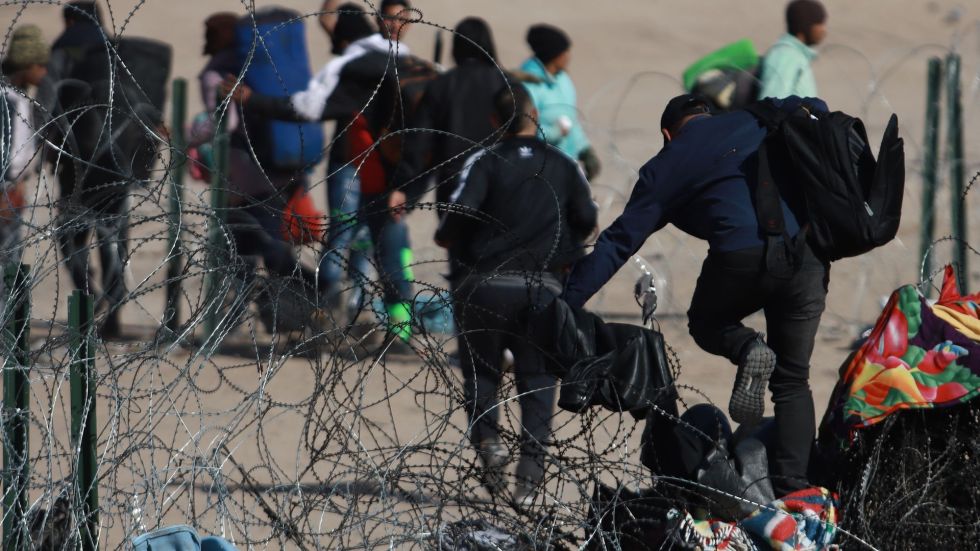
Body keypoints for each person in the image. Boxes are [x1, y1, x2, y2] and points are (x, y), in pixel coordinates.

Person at [562, 93, 831, 498]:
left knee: (706, 321)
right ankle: (797, 492)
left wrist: (566, 301)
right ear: (709, 115)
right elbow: (817, 106)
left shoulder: (667, 165)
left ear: (668, 135)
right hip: (808, 256)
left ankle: (744, 346)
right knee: (793, 379)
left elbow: (617, 244)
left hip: (741, 258)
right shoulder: (756, 117)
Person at [224, 3, 435, 350]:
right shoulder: (409, 63)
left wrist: (253, 100)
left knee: (341, 244)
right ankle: (397, 330)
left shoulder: (353, 66)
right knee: (388, 250)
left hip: (357, 170)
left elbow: (309, 107)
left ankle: (325, 322)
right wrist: (410, 186)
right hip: (396, 177)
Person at [436, 83, 598, 503]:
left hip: (484, 286)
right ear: (536, 118)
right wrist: (565, 251)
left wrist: (449, 237)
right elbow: (587, 217)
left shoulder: (484, 161)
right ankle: (530, 474)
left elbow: (460, 213)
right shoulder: (563, 164)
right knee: (538, 379)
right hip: (542, 288)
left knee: (482, 374)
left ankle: (489, 444)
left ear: (494, 122)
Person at [392, 16, 507, 208]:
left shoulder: (442, 85)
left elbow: (420, 139)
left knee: (452, 236)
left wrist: (402, 185)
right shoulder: (507, 84)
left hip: (453, 182)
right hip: (499, 180)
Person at [518, 24, 600, 180]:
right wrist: (554, 132)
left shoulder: (563, 80)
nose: (568, 56)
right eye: (565, 51)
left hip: (567, 162)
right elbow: (523, 128)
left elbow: (571, 119)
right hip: (539, 165)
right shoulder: (529, 85)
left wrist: (584, 149)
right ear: (554, 55)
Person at [1, 25, 49, 275]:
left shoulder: (15, 95)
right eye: (40, 64)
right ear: (26, 64)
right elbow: (12, 152)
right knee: (7, 266)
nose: (45, 70)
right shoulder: (9, 99)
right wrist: (8, 187)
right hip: (6, 192)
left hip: (12, 189)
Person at [757, 0, 827, 100]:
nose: (824, 30)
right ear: (806, 25)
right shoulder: (786, 56)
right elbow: (771, 106)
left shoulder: (795, 55)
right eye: (820, 23)